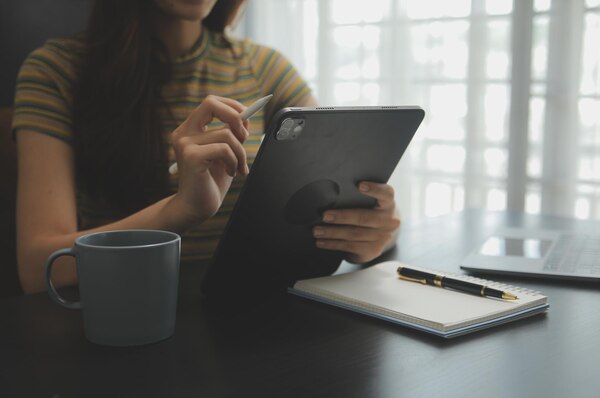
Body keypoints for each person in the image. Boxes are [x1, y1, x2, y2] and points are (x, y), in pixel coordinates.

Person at [13, 0, 400, 294]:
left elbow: (346, 185)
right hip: (127, 320)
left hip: (257, 314)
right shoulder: (57, 70)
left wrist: (374, 230)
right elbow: (37, 266)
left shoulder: (264, 67)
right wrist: (180, 211)